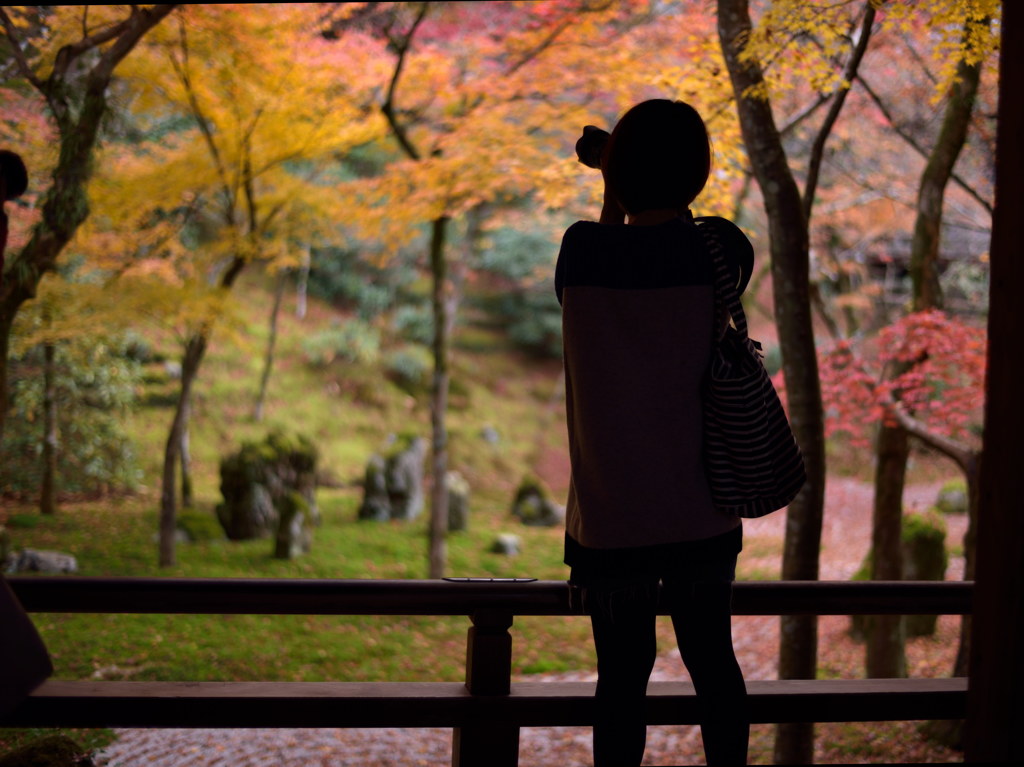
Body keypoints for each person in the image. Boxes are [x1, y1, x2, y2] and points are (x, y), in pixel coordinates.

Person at [555, 99, 752, 766]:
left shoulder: (582, 252)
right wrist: (630, 170)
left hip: (613, 516)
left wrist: (613, 180)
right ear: (695, 173)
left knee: (620, 680)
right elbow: (685, 238)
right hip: (701, 504)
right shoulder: (720, 247)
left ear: (617, 175)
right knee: (715, 664)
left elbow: (616, 241)